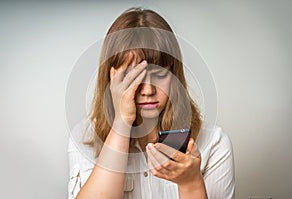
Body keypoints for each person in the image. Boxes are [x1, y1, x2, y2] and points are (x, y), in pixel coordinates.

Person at [68, 7, 235, 199]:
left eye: (159, 75)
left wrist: (190, 182)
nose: (148, 91)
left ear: (174, 76)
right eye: (133, 78)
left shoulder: (214, 144)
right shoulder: (83, 138)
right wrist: (122, 122)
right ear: (111, 80)